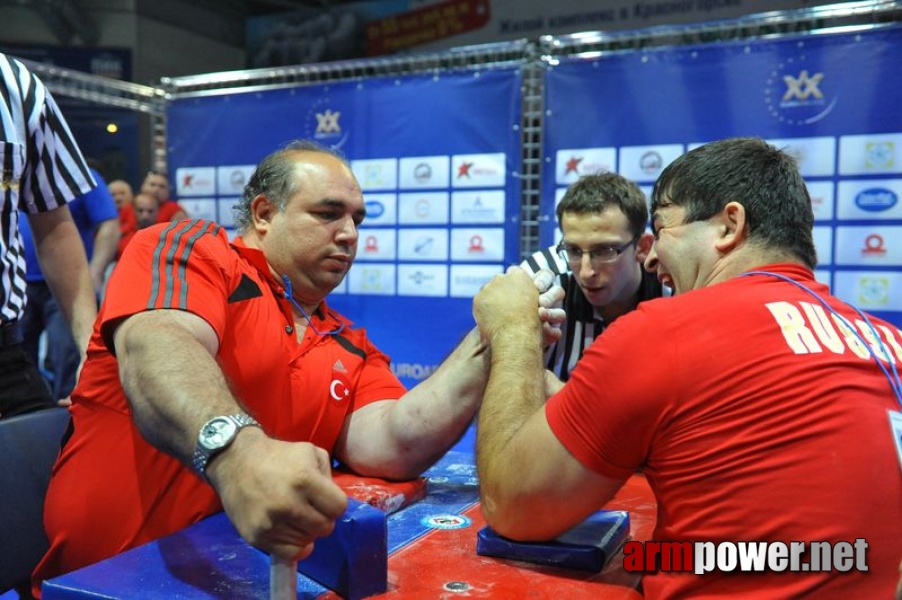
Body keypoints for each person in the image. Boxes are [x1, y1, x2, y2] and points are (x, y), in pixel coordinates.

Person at [32, 140, 563, 591]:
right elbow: (158, 346)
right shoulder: (190, 249)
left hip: (236, 579)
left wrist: (491, 339)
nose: (350, 233)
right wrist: (237, 453)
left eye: (356, 218)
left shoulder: (347, 343)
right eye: (328, 213)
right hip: (97, 581)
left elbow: (395, 441)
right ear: (264, 214)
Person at [472, 137, 902, 598]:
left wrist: (515, 330)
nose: (652, 256)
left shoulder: (663, 330)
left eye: (663, 228)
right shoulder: (888, 343)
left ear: (728, 226)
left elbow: (513, 506)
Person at [0, 53, 98, 419]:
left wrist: (92, 350)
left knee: (57, 466)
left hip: (6, 353)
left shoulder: (17, 86)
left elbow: (55, 225)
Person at [520, 172, 664, 381]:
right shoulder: (542, 279)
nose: (586, 272)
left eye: (605, 250)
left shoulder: (674, 286)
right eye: (574, 250)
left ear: (642, 247)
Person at [19, 165, 119, 400]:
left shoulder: (82, 175)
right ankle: (27, 419)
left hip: (64, 285)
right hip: (19, 285)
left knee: (67, 356)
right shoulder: (13, 173)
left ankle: (72, 419)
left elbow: (108, 224)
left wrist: (95, 269)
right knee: (17, 360)